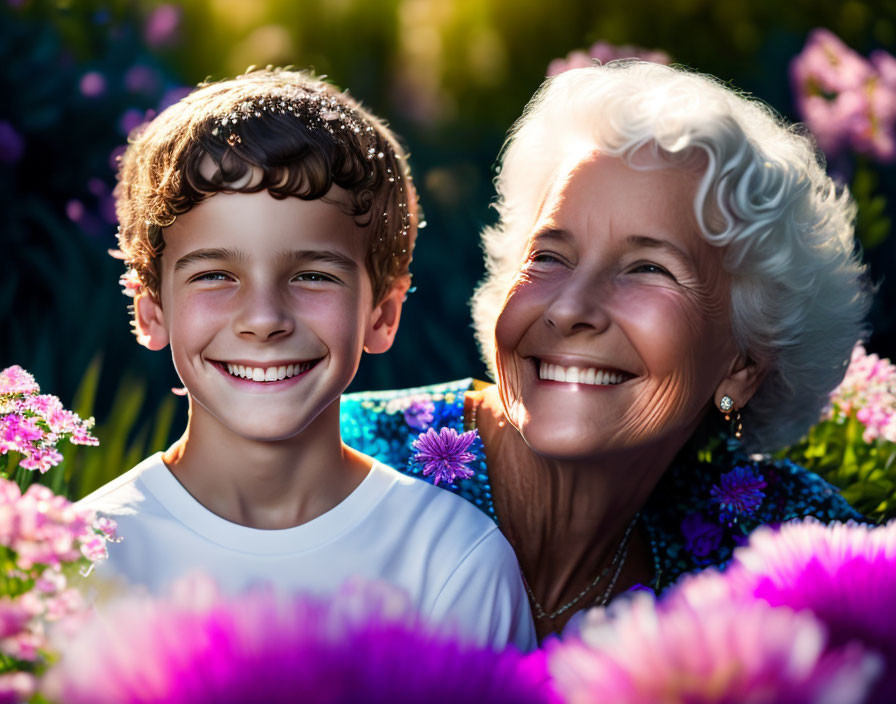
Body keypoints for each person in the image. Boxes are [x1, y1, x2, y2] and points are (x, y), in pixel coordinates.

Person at [341, 61, 870, 641]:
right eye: (548, 257)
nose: (568, 309)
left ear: (743, 364)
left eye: (648, 268)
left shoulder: (777, 545)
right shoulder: (336, 464)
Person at [80, 69, 536, 651]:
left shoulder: (450, 562)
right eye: (216, 275)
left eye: (312, 275)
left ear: (383, 314)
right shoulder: (83, 559)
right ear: (151, 311)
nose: (265, 318)